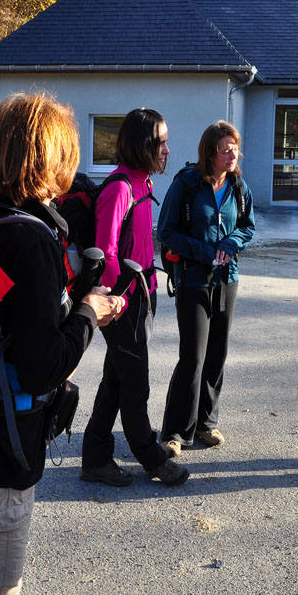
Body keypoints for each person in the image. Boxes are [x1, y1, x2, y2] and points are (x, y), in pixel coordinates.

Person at [0, 93, 124, 595]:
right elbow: (43, 367)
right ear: (48, 159)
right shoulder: (28, 238)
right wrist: (90, 313)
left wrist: (77, 296)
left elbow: (9, 329)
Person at [80, 108, 190, 487]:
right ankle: (151, 456)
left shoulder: (142, 183)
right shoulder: (119, 188)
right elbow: (106, 252)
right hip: (123, 301)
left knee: (116, 377)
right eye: (161, 143)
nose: (166, 150)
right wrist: (118, 301)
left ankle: (95, 457)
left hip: (142, 295)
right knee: (134, 382)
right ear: (142, 144)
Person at [157, 121, 256, 455]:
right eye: (225, 150)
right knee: (193, 357)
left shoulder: (238, 185)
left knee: (217, 354)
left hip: (227, 279)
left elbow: (248, 226)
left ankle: (206, 423)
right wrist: (205, 253)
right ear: (209, 152)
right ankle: (175, 431)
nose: (232, 155)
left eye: (235, 149)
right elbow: (167, 231)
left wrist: (229, 244)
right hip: (192, 280)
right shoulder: (186, 184)